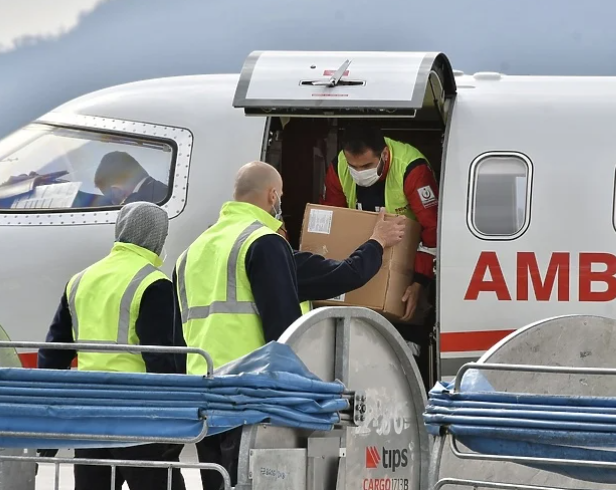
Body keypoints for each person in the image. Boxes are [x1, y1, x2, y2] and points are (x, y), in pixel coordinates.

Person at [172, 160, 406, 490]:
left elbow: (177, 335)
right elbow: (283, 329)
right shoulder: (263, 242)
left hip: (204, 396)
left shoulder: (190, 253)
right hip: (251, 394)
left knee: (217, 482)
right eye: (280, 195)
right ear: (272, 195)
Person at [37, 201, 185, 490]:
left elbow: (53, 355)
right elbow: (163, 361)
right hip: (138, 419)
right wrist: (173, 421)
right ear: (158, 237)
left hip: (90, 416)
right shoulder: (153, 283)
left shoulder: (80, 280)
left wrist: (49, 417)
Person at [320, 124, 439, 388]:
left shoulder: (411, 169)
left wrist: (420, 282)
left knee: (407, 339)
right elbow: (334, 219)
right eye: (353, 166)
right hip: (365, 258)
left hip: (408, 265)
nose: (358, 172)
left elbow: (433, 231)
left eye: (366, 166)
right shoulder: (339, 166)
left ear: (384, 154)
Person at [94, 151, 169, 205]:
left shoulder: (134, 206)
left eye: (111, 197)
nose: (113, 203)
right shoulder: (164, 193)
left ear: (116, 189)